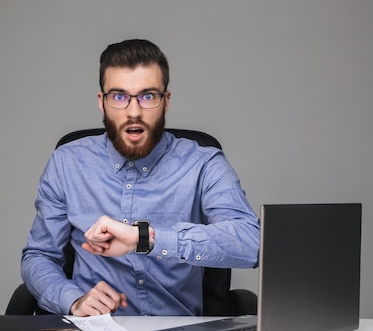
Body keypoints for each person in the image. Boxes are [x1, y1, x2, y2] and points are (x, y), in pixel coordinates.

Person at [21, 39, 259, 317]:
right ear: (102, 102)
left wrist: (144, 239)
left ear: (165, 101)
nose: (133, 112)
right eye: (119, 96)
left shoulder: (203, 163)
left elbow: (251, 243)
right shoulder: (67, 163)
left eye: (147, 96)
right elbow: (39, 256)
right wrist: (73, 300)